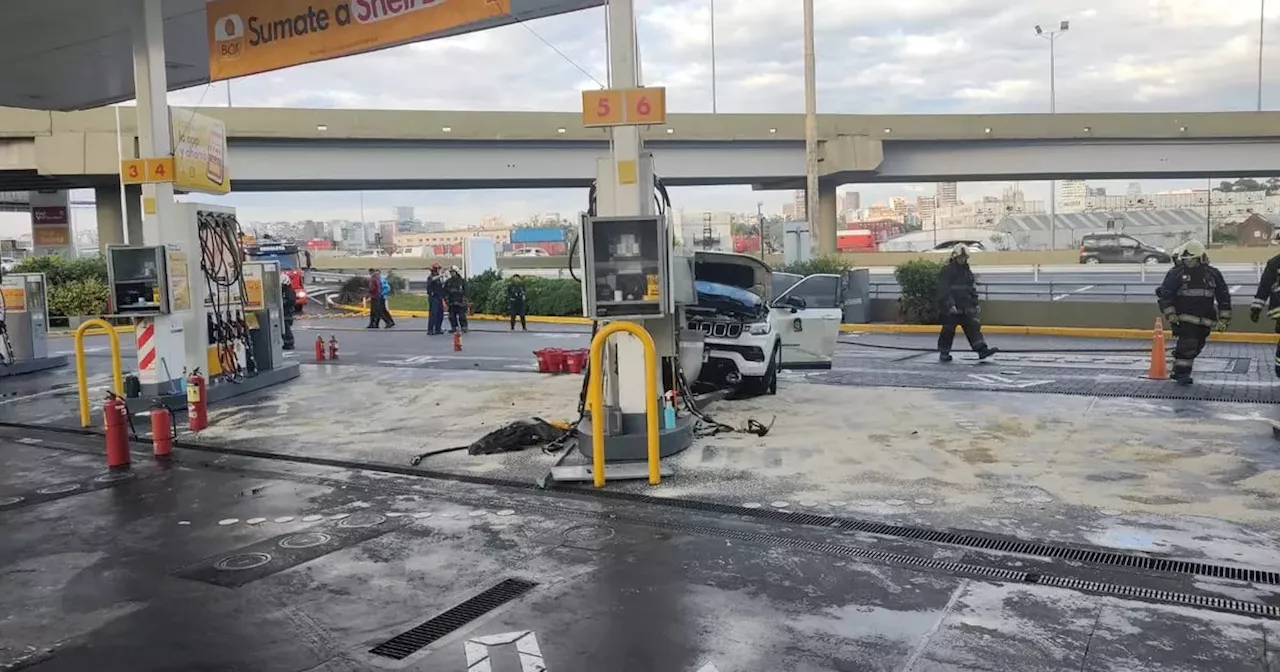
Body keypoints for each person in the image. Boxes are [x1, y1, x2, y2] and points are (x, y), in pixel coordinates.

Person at [1157, 240, 1230, 385]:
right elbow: (1166, 295)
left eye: (1191, 259)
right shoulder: (1177, 274)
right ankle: (1181, 374)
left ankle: (1179, 362)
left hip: (1205, 319)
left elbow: (1223, 296)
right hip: (1184, 318)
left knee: (1197, 345)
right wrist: (1171, 314)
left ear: (1201, 258)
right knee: (1188, 344)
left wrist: (1224, 318)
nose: (1188, 263)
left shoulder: (1213, 274)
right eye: (1186, 260)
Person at [936, 244, 999, 363]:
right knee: (948, 330)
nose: (962, 260)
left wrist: (975, 303)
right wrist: (950, 305)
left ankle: (981, 350)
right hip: (952, 307)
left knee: (973, 327)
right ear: (955, 258)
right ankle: (944, 352)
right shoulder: (947, 270)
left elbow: (971, 288)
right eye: (960, 258)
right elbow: (944, 289)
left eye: (964, 258)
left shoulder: (967, 271)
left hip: (966, 306)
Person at [445, 265, 469, 334]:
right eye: (451, 272)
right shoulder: (448, 282)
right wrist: (447, 300)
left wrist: (465, 300)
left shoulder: (462, 281)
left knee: (462, 316)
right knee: (452, 316)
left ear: (457, 272)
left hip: (460, 301)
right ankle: (454, 327)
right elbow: (445, 291)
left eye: (453, 272)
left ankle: (464, 327)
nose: (452, 273)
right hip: (451, 302)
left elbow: (466, 291)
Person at [426, 263, 446, 336]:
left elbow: (441, 285)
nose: (439, 270)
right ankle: (430, 329)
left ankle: (438, 328)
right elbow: (433, 280)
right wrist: (441, 275)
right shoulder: (431, 277)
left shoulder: (438, 278)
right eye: (438, 269)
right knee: (433, 314)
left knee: (440, 314)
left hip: (439, 297)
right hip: (433, 297)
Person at [280, 274, 296, 350]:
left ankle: (289, 342)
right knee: (284, 327)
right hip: (285, 311)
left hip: (287, 312)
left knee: (286, 327)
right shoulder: (285, 290)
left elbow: (290, 301)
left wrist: (283, 303)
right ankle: (287, 342)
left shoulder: (289, 291)